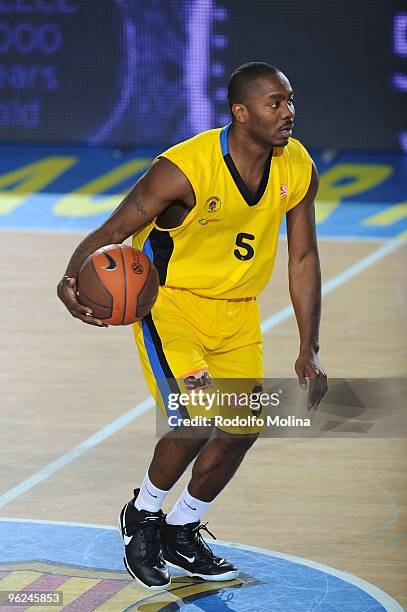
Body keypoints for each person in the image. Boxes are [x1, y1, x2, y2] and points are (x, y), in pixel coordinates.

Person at [57, 62, 328, 591]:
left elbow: (303, 258)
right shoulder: (182, 169)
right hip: (172, 307)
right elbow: (114, 229)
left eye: (291, 101)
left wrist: (309, 347)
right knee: (196, 418)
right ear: (241, 112)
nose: (289, 112)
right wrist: (68, 280)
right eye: (276, 103)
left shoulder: (296, 166)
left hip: (238, 311)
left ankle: (182, 527)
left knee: (242, 428)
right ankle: (144, 516)